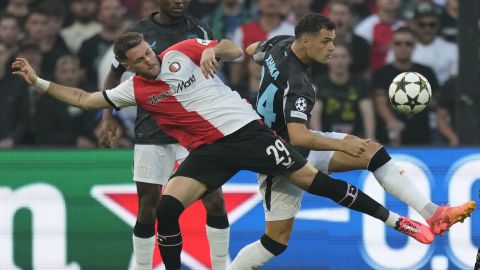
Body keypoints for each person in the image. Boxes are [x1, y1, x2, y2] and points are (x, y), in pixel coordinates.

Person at [15, 32, 435, 270]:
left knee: (319, 183)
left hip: (249, 134)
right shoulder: (135, 90)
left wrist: (215, 50)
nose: (150, 60)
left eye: (148, 52)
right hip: (210, 152)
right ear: (128, 66)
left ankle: (398, 222)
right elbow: (87, 98)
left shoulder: (182, 51)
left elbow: (236, 47)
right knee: (165, 209)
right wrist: (37, 81)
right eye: (140, 60)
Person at [228, 14, 475, 269]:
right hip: (279, 160)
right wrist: (342, 144)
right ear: (305, 41)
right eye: (325, 41)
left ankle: (433, 213)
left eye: (332, 41)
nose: (332, 48)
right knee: (275, 242)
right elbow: (299, 135)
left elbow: (252, 49)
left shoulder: (278, 44)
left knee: (373, 153)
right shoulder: (299, 84)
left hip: (296, 144)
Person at [96, 1, 231, 269]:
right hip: (151, 131)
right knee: (148, 207)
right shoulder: (137, 35)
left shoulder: (199, 30)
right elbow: (113, 77)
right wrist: (108, 118)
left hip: (193, 132)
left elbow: (211, 77)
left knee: (214, 201)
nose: (180, 2)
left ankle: (221, 267)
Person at [373, 27, 438, 145]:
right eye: (398, 43)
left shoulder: (427, 72)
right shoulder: (381, 74)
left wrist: (417, 96)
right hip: (390, 136)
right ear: (391, 45)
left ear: (414, 46)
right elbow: (380, 102)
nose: (403, 47)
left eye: (408, 44)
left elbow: (436, 102)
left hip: (421, 134)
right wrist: (391, 121)